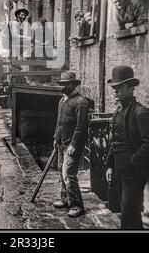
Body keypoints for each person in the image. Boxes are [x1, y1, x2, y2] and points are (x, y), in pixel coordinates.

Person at [105, 65, 149, 229]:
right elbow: (115, 142)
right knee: (124, 210)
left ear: (131, 88)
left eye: (120, 87)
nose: (115, 91)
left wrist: (133, 163)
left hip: (133, 173)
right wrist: (110, 165)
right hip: (120, 170)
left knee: (129, 212)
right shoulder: (118, 112)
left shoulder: (141, 113)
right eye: (114, 88)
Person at [53, 71, 89, 218]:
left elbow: (81, 127)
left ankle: (77, 205)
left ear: (73, 84)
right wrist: (56, 137)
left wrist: (74, 144)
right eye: (62, 84)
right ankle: (66, 199)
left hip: (72, 144)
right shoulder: (62, 101)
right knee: (61, 171)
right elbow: (59, 122)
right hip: (61, 142)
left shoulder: (81, 102)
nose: (63, 86)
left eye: (66, 84)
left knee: (69, 174)